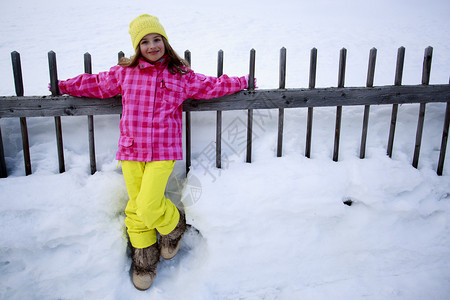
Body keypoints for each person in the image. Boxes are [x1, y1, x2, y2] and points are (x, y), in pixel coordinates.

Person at [54, 14, 252, 290]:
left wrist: (242, 81)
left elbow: (211, 86)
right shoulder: (125, 73)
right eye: (144, 41)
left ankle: (173, 226)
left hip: (163, 150)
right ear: (137, 47)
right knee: (135, 208)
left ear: (165, 42)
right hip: (131, 150)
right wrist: (63, 86)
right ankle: (144, 260)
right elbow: (96, 84)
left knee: (147, 204)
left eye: (157, 39)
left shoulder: (179, 75)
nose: (152, 46)